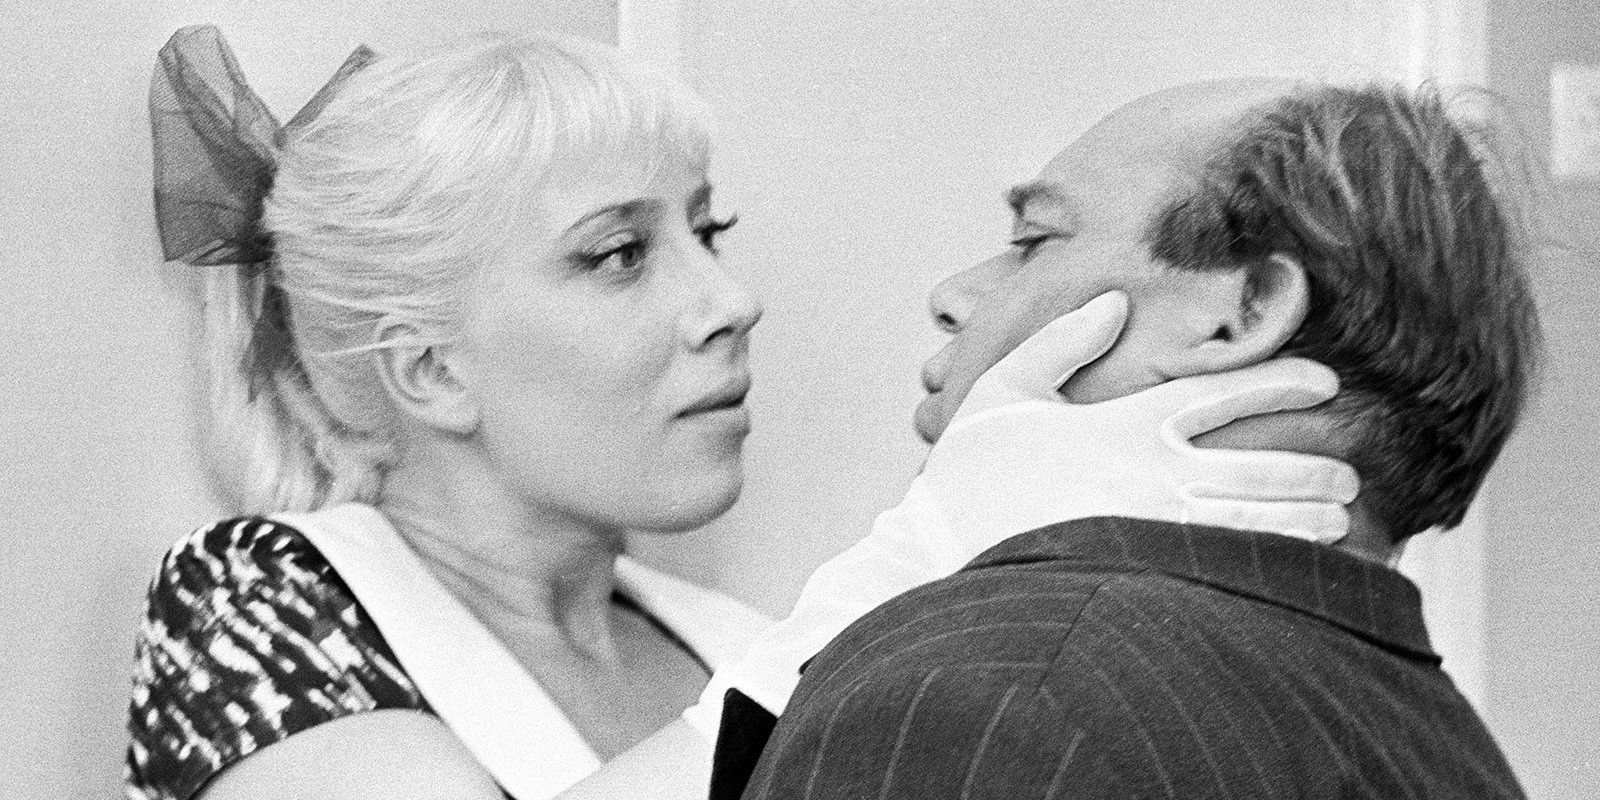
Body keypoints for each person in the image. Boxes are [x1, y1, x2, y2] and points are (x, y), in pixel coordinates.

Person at [128, 27, 1360, 800]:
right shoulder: (251, 598)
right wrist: (915, 559)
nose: (731, 301)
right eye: (618, 254)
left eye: (707, 232)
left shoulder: (740, 640)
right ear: (431, 371)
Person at [710, 79, 1538, 799]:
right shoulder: (1448, 749)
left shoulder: (1001, 690)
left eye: (1032, 242)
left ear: (1242, 309)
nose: (951, 295)